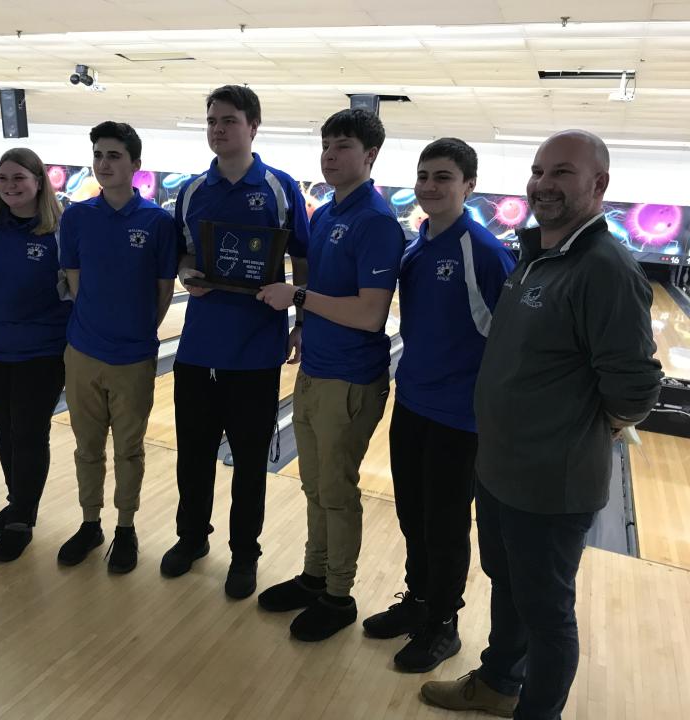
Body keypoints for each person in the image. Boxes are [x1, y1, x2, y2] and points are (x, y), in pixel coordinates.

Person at [421, 130, 662, 718]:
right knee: (509, 586)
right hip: (502, 468)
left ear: (598, 184)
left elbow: (634, 388)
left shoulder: (604, 268)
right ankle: (500, 682)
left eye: (562, 172)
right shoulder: (540, 256)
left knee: (548, 613)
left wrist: (579, 431)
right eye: (537, 171)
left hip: (549, 483)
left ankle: (538, 710)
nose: (543, 184)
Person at [362, 138, 515, 670]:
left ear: (468, 186)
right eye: (424, 175)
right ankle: (420, 602)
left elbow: (508, 342)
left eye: (443, 177)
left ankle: (443, 624)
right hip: (414, 404)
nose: (430, 186)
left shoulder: (485, 252)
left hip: (460, 417)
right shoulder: (416, 245)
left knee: (446, 524)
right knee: (412, 516)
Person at [255, 108, 405, 640]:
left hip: (350, 378)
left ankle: (339, 596)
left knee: (336, 492)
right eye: (325, 145)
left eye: (342, 146)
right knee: (315, 486)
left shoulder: (377, 222)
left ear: (370, 156)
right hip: (317, 368)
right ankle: (314, 576)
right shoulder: (326, 215)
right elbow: (322, 289)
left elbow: (369, 314)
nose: (329, 155)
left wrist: (298, 296)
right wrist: (302, 323)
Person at [161, 85, 309, 599]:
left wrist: (301, 320)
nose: (218, 129)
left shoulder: (280, 188)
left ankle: (244, 552)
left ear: (253, 127)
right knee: (193, 455)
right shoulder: (191, 191)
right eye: (211, 121)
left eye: (228, 120)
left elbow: (304, 264)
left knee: (249, 462)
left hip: (256, 353)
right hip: (199, 350)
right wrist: (187, 275)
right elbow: (181, 256)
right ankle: (191, 539)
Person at [56, 121, 177, 574]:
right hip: (83, 352)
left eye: (114, 156)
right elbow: (74, 280)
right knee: (87, 447)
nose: (104, 164)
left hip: (133, 357)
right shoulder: (77, 216)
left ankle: (126, 527)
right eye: (99, 155)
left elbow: (164, 290)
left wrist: (136, 331)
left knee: (129, 449)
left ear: (135, 166)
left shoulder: (157, 222)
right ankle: (91, 523)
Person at [0, 147, 71, 562]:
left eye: (19, 178)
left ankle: (22, 517)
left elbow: (76, 291)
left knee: (28, 432)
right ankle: (17, 498)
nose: (9, 186)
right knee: (5, 429)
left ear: (39, 182)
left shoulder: (60, 231)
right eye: (3, 179)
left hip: (41, 350)